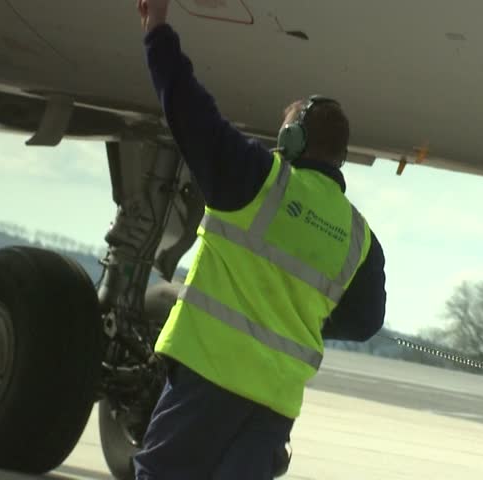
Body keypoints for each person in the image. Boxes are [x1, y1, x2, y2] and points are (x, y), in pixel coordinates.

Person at [133, 1, 387, 478]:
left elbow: (187, 105)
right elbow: (365, 321)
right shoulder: (360, 239)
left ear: (290, 139)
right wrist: (293, 318)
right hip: (273, 404)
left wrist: (157, 31)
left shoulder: (255, 180)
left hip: (207, 378)